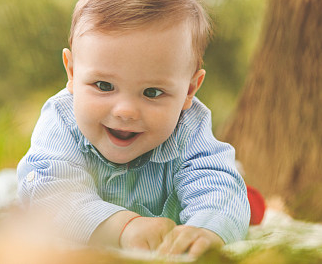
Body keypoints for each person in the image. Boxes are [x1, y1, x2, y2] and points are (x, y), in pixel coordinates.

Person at [17, 0, 250, 258]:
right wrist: (122, 227)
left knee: (236, 190)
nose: (125, 111)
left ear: (189, 90)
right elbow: (49, 190)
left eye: (152, 92)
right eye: (104, 85)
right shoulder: (62, 119)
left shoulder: (189, 127)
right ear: (72, 72)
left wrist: (207, 230)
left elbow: (218, 186)